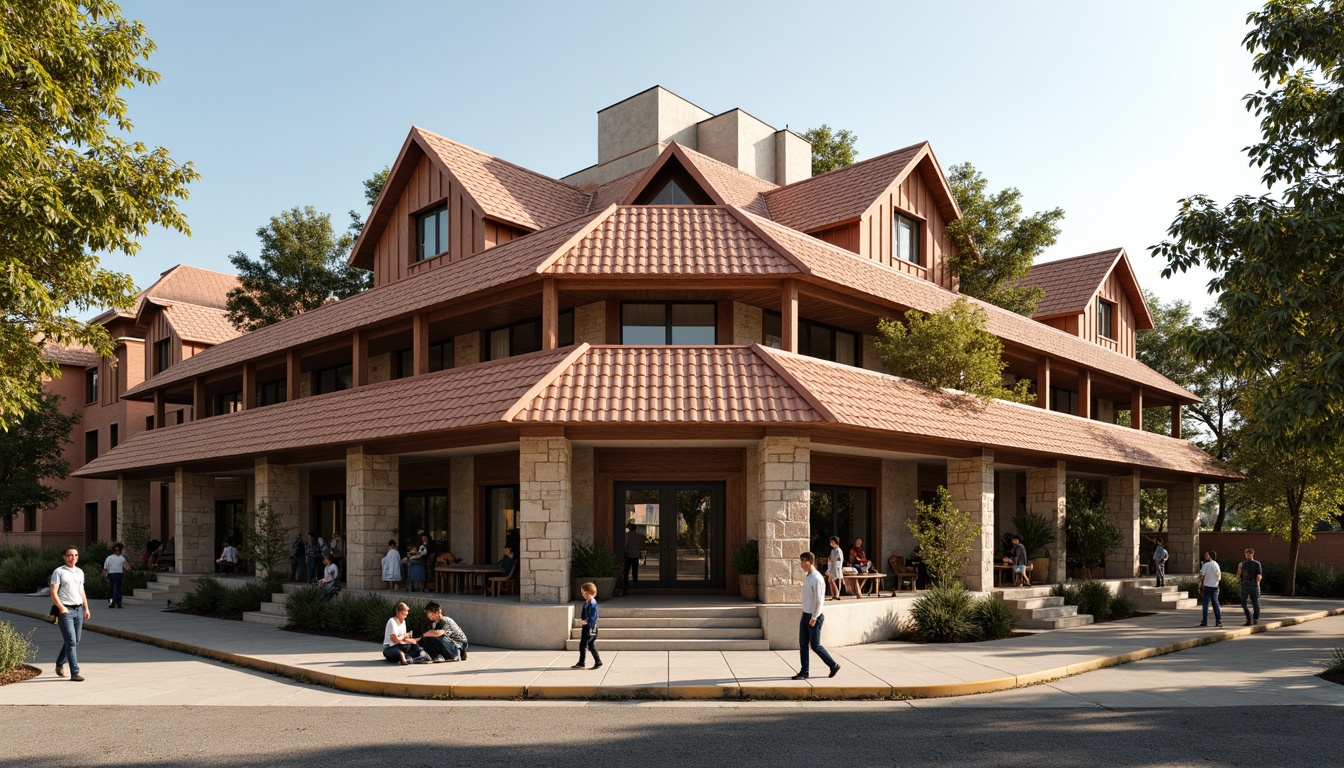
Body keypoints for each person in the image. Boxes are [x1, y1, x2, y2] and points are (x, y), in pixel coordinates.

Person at [793, 551, 840, 680]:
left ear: (810, 562)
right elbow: (809, 598)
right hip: (806, 615)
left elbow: (820, 600)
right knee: (803, 644)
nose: (801, 564)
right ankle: (804, 671)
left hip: (814, 617)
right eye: (801, 561)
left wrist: (814, 617)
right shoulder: (808, 576)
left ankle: (833, 665)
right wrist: (805, 612)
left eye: (803, 561)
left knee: (815, 645)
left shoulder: (817, 578)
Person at [50, 546, 90, 682]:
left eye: (75, 555)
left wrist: (86, 608)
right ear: (64, 557)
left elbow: (82, 591)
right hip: (66, 610)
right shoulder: (59, 572)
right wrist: (61, 608)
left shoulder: (79, 572)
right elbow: (53, 592)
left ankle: (59, 663)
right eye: (70, 555)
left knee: (74, 640)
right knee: (71, 641)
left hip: (78, 610)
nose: (73, 558)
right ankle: (75, 672)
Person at [571, 582, 602, 669]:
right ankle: (598, 661)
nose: (584, 595)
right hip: (590, 627)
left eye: (586, 593)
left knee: (583, 645)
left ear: (592, 593)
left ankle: (582, 662)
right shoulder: (587, 603)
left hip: (589, 628)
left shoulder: (592, 604)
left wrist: (585, 622)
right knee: (591, 645)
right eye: (583, 593)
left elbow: (593, 617)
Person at [1237, 548, 1263, 626]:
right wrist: (1239, 572)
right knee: (1243, 603)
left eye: (1249, 554)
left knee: (1255, 603)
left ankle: (1255, 619)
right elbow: (1239, 575)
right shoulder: (1242, 564)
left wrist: (1258, 583)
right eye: (1246, 554)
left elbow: (1259, 574)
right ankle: (1249, 617)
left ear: (1252, 554)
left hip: (1253, 585)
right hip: (1244, 585)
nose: (1247, 556)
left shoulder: (1256, 564)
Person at [1198, 550, 1223, 628]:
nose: (1206, 556)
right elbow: (1219, 576)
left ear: (1210, 556)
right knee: (1215, 603)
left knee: (1205, 603)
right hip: (1215, 586)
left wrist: (1200, 584)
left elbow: (1202, 575)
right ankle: (1218, 621)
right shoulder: (1216, 564)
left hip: (1207, 585)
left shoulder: (1206, 565)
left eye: (1207, 555)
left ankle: (1204, 621)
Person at [101, 542, 129, 609]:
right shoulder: (122, 558)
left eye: (118, 550)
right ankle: (118, 601)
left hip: (112, 574)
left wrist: (103, 575)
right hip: (119, 574)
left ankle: (113, 601)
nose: (118, 552)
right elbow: (127, 566)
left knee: (113, 588)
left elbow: (105, 568)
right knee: (118, 588)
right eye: (117, 550)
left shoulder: (109, 558)